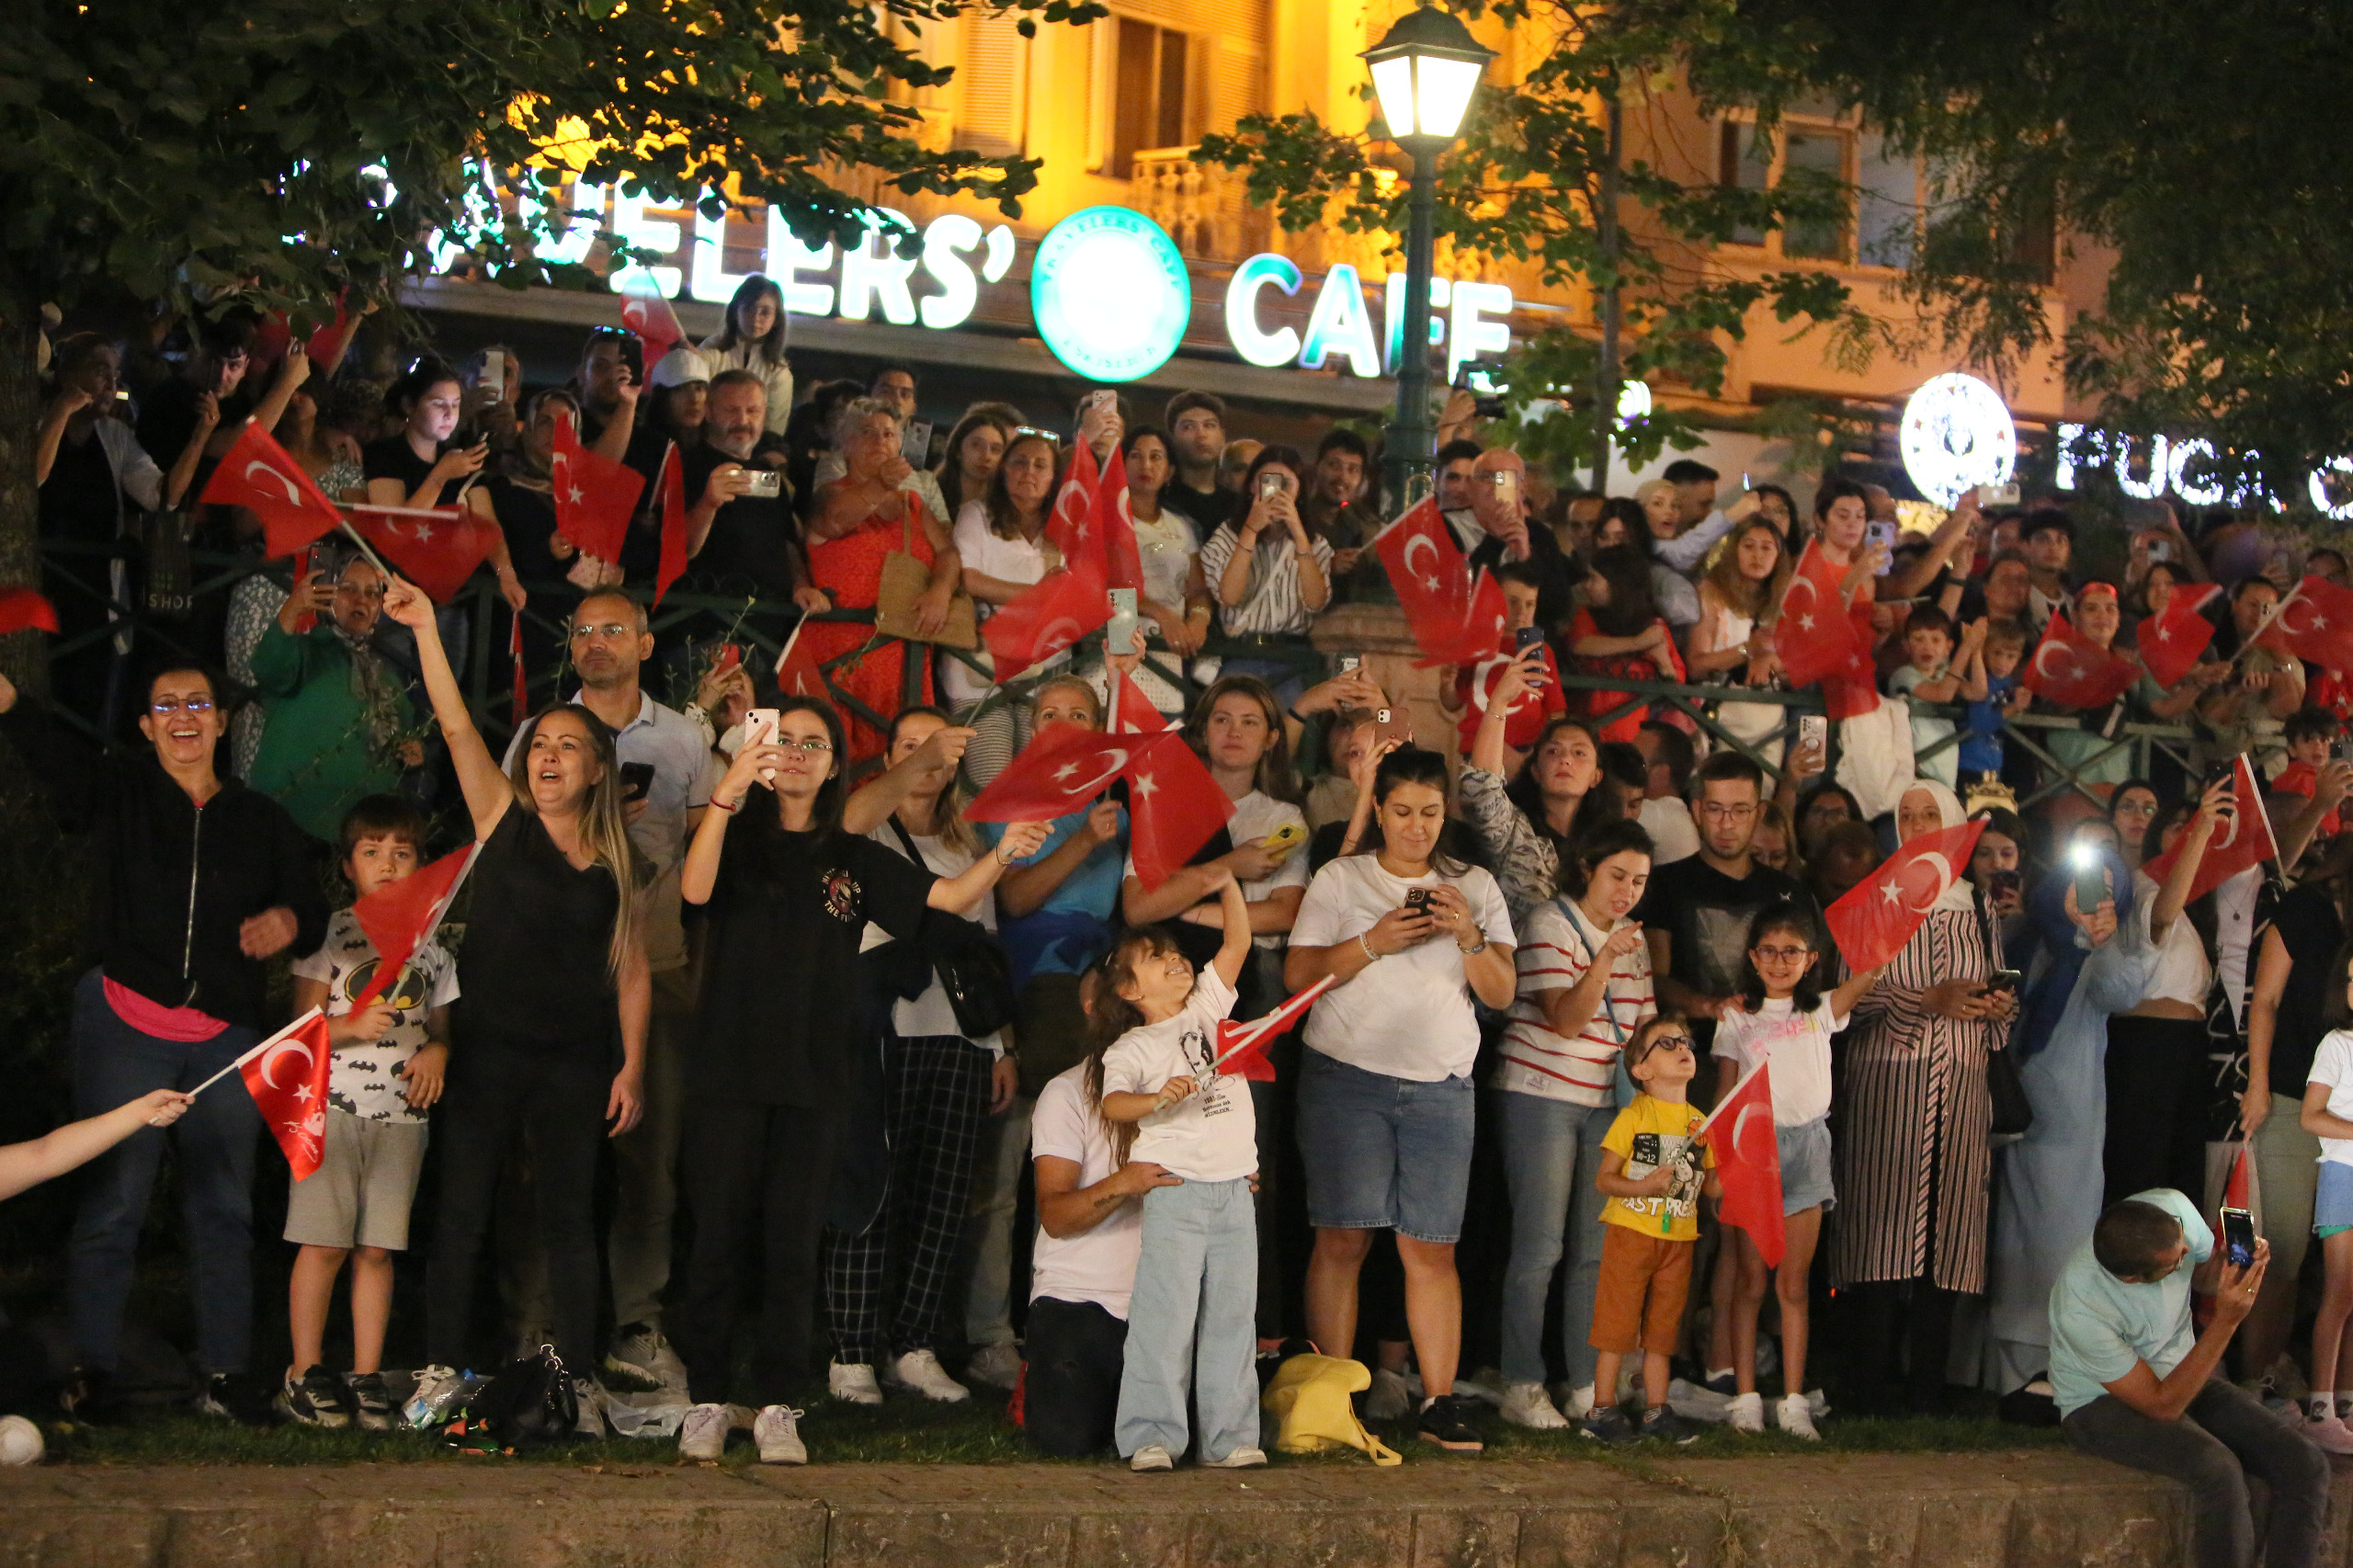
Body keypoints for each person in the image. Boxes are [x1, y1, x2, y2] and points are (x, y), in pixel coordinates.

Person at [671, 697, 1045, 1461]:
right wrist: (729, 787)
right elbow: (697, 891)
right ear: (763, 753)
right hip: (729, 1073)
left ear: (839, 764)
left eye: (816, 744)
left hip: (816, 1077)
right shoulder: (735, 832)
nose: (800, 754)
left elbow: (944, 900)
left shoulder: (853, 852)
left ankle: (778, 1403)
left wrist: (1003, 856)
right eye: (787, 742)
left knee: (792, 1243)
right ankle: (708, 1398)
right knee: (716, 1240)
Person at [0, 661, 324, 1423]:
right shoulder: (120, 792)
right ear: (147, 728)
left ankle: (224, 1377)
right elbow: (49, 752)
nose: (184, 715)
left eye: (199, 703)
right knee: (114, 1198)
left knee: (225, 1202)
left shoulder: (262, 820)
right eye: (166, 705)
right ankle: (92, 1373)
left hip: (224, 1040)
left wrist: (289, 922)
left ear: (221, 722)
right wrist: (11, 698)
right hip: (124, 1021)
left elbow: (309, 903)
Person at [379, 578, 649, 1430]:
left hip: (574, 1060)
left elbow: (632, 971)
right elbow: (459, 726)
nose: (549, 754)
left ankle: (572, 1381)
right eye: (540, 742)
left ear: (598, 766)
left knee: (572, 1222)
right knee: (461, 1213)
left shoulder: (614, 861)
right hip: (490, 1051)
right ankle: (440, 1372)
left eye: (569, 746)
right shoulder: (503, 822)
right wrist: (427, 622)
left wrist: (632, 1066)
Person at [497, 589, 717, 1389]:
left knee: (646, 1158)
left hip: (651, 963)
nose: (595, 641)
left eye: (612, 629)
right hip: (553, 972)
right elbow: (509, 836)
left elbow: (702, 846)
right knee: (543, 1160)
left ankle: (636, 1323)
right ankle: (538, 1326)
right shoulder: (537, 735)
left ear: (645, 643)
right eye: (582, 628)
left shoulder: (686, 739)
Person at [1285, 745, 1518, 1453]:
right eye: (1404, 812)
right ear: (1379, 810)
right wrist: (1374, 941)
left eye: (1430, 813)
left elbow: (1503, 994)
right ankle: (1328, 1398)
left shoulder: (1473, 884)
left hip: (1441, 1087)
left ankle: (1438, 1401)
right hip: (1346, 1077)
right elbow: (1299, 974)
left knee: (1432, 1249)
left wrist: (1469, 934)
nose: (1417, 827)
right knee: (1342, 1239)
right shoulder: (1342, 877)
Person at [1988, 788, 2221, 1399]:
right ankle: (1987, 1369)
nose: (2088, 894)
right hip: (1998, 1104)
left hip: (2067, 1115)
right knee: (2001, 1234)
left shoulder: (2098, 952)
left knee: (2059, 1229)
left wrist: (2103, 938)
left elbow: (2124, 983)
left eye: (2104, 883)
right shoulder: (2024, 936)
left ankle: (2045, 1367)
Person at [827, 709, 1017, 1403]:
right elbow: (844, 824)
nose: (928, 758)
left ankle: (915, 1344)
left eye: (939, 747)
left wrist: (998, 1046)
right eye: (911, 745)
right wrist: (910, 762)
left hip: (960, 1037)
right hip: (885, 1031)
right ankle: (851, 1349)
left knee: (941, 1197)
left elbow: (984, 952)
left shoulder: (968, 845)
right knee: (871, 1189)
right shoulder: (866, 827)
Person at [964, 678, 1131, 1385]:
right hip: (1031, 991)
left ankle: (1075, 1324)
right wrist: (1084, 844)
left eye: (1079, 716)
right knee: (1007, 1172)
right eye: (1048, 715)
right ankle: (988, 1333)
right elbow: (1014, 897)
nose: (1061, 724)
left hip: (1101, 994)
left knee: (1088, 1164)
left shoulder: (1116, 801)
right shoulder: (1017, 798)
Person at [1829, 780, 2015, 1415]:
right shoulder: (1872, 900)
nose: (1916, 826)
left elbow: (1996, 1009)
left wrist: (1996, 1005)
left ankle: (1927, 1390)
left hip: (1962, 1088)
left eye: (1929, 815)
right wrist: (1922, 999)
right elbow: (1842, 1003)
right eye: (1906, 816)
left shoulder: (1979, 908)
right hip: (1888, 1084)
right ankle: (1869, 1389)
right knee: (1880, 1233)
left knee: (1948, 1237)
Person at [276, 795, 455, 1432]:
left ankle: (366, 1374)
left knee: (377, 1249)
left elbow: (440, 1028)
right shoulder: (329, 933)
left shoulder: (434, 949)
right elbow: (298, 1030)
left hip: (403, 1117)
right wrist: (346, 1025)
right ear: (349, 865)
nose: (387, 864)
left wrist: (437, 1050)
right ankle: (305, 1371)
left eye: (401, 853)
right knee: (323, 1244)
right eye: (372, 852)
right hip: (331, 1110)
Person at [2051, 1192, 2326, 1568]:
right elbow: (2163, 1405)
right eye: (2174, 1262)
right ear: (2133, 1279)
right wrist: (2226, 1320)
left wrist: (2236, 1268)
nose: (2185, 1258)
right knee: (2219, 1469)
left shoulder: (2173, 1210)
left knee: (2305, 1462)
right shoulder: (2081, 1309)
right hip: (2099, 1404)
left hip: (2183, 1374)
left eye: (2182, 1246)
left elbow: (2204, 1274)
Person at [1093, 873, 1263, 1471]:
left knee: (1233, 1315)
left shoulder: (1206, 1007)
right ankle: (1151, 1436)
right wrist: (1157, 1100)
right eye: (1156, 960)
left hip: (1235, 1190)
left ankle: (1231, 1438)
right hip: (1177, 1190)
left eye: (1174, 953)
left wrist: (1228, 883)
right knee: (1166, 1316)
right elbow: (1116, 1105)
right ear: (1130, 988)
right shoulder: (1133, 1048)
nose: (1175, 962)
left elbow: (1237, 943)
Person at [1493, 820, 1656, 1428]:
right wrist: (1605, 960)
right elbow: (1565, 1018)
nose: (1626, 892)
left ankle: (1588, 1383)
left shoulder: (1633, 939)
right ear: (1588, 868)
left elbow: (1641, 1031)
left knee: (1595, 1251)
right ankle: (1521, 1382)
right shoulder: (1550, 925)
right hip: (1541, 1095)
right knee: (1540, 1246)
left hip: (1606, 1105)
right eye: (1618, 875)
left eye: (1638, 881)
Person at [1712, 903, 1885, 1439]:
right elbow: (1725, 1092)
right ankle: (1745, 1397)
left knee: (1793, 1283)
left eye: (1792, 952)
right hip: (1751, 1150)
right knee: (1749, 1280)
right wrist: (1717, 1166)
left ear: (1811, 959)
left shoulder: (1821, 1011)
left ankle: (1791, 1400)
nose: (1780, 962)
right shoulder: (1736, 1018)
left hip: (1807, 1147)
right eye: (1769, 951)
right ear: (1753, 957)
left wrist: (1895, 911)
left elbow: (1873, 969)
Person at [2238, 834, 2353, 1394]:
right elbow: (2266, 1000)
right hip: (2289, 1096)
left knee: (2342, 1272)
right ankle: (2255, 1385)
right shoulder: (2307, 907)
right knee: (2280, 1252)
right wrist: (2256, 1085)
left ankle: (2329, 1398)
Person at [1026, 1023, 1170, 1455]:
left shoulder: (1192, 1088)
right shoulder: (1067, 1092)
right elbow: (1055, 1216)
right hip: (1081, 1299)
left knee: (1194, 1438)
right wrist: (1125, 1183)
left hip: (1167, 1304)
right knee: (1066, 1440)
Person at [1578, 1015, 1719, 1445]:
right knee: (1617, 1326)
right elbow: (1604, 1180)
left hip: (1679, 1239)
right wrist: (1645, 1185)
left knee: (1662, 1330)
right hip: (1631, 1233)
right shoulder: (1634, 1116)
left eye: (1687, 1043)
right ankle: (1602, 1409)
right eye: (1668, 1044)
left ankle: (1657, 1410)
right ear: (1641, 1069)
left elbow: (1712, 1186)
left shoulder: (1701, 1124)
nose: (1683, 1049)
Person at [801, 396, 961, 761]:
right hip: (838, 660)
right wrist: (879, 486)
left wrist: (940, 590)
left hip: (900, 656)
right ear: (845, 444)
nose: (879, 440)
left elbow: (949, 554)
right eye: (867, 432)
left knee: (899, 762)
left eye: (889, 434)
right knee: (834, 761)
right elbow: (834, 520)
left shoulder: (913, 505)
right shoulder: (830, 493)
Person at [1634, 751, 1813, 1059]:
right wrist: (1709, 1007)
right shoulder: (1664, 884)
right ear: (1697, 810)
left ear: (1757, 813)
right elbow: (1653, 978)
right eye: (1716, 809)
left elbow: (1810, 986)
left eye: (1740, 811)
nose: (1727, 824)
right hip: (1687, 1059)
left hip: (1772, 1058)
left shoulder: (1789, 893)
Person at [245, 556, 419, 844]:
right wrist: (291, 610)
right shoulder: (304, 652)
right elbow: (268, 666)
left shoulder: (386, 676)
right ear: (326, 596)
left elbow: (403, 732)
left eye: (372, 593)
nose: (360, 600)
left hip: (361, 836)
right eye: (348, 589)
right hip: (289, 826)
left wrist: (413, 751)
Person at [362, 360, 527, 611]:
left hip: (451, 600)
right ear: (410, 405)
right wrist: (439, 477)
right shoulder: (385, 456)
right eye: (438, 404)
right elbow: (395, 533)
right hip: (395, 598)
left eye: (456, 404)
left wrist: (507, 574)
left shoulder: (461, 461)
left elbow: (488, 527)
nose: (449, 414)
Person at [949, 429, 1060, 772]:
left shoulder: (1064, 530)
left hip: (1046, 673)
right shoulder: (976, 514)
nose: (1030, 472)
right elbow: (969, 579)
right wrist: (1039, 595)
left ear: (1054, 477)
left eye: (1041, 465)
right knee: (990, 778)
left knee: (1036, 782)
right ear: (1003, 470)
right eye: (1019, 462)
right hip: (980, 667)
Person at [1199, 445, 1333, 709]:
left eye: (1287, 484)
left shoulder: (1315, 543)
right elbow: (1228, 596)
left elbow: (1316, 601)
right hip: (1241, 652)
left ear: (1300, 490)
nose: (1276, 491)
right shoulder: (1227, 535)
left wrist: (1298, 533)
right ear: (1252, 487)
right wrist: (1250, 529)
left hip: (1293, 658)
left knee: (1286, 737)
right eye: (1268, 481)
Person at [682, 369, 809, 600]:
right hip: (705, 615)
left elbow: (786, 541)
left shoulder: (768, 474)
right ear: (708, 412)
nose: (742, 421)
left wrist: (801, 583)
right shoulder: (684, 465)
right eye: (731, 410)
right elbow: (677, 550)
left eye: (752, 411)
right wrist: (708, 504)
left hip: (768, 620)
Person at [2300, 945, 2353, 1450]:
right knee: (2340, 1288)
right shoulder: (2338, 1043)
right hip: (2343, 1173)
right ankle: (2320, 1406)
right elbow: (2310, 1115)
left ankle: (2346, 1402)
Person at [1121, 425, 1211, 712]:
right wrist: (1162, 614)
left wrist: (1199, 620)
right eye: (1136, 456)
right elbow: (1103, 584)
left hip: (1169, 651)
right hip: (1119, 644)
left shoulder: (1181, 525)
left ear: (1170, 471)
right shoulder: (1106, 519)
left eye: (1156, 457)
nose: (1146, 465)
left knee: (1164, 746)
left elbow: (1197, 590)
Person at [1688, 517, 1790, 764]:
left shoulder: (1787, 601)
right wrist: (1748, 651)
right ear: (1734, 550)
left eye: (1767, 548)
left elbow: (1799, 670)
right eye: (1748, 546)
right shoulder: (1712, 593)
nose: (1758, 555)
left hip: (1772, 726)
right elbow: (1696, 666)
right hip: (1721, 724)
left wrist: (1770, 661)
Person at [1443, 563, 1567, 767]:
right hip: (1478, 745)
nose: (1522, 612)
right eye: (1513, 602)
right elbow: (1452, 702)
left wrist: (1544, 751)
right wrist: (1448, 684)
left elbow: (1556, 709)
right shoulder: (1474, 645)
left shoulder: (1542, 651)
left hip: (1527, 752)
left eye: (1530, 604)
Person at [1567, 544, 1683, 744]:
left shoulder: (1653, 625)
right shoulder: (1587, 616)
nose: (1586, 585)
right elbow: (1581, 645)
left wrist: (1663, 660)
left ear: (1617, 583)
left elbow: (1677, 685)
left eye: (1593, 578)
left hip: (1634, 738)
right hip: (1586, 734)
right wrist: (1637, 643)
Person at [1888, 606, 1987, 790]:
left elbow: (1978, 692)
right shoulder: (1904, 675)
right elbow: (1943, 694)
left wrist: (1976, 651)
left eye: (1935, 640)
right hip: (1913, 768)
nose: (1928, 647)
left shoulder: (1944, 675)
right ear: (1907, 645)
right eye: (1919, 639)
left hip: (1944, 766)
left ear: (1948, 647)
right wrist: (1965, 648)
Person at [698, 274, 794, 435]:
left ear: (776, 319)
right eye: (749, 308)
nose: (755, 318)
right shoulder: (711, 350)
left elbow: (773, 431)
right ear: (736, 312)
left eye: (765, 312)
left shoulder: (779, 372)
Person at [1957, 619, 2032, 789]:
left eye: (2010, 656)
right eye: (1997, 653)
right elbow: (1979, 724)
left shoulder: (2008, 685)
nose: (2002, 662)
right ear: (1985, 652)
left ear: (2018, 658)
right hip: (1970, 765)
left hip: (1994, 767)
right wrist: (2013, 708)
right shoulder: (1981, 682)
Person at [1163, 391, 1236, 537]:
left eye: (1209, 425)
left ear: (1223, 436)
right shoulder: (1160, 501)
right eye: (1188, 427)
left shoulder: (1236, 507)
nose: (1201, 435)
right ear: (1172, 438)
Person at [934, 408, 1013, 522]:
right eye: (976, 445)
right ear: (957, 450)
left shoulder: (1004, 510)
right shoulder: (931, 495)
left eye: (996, 449)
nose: (986, 456)